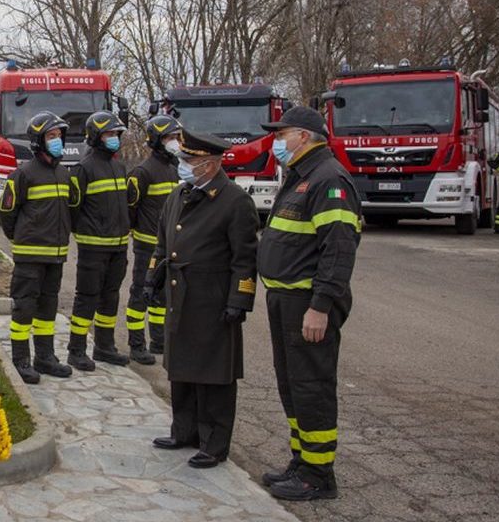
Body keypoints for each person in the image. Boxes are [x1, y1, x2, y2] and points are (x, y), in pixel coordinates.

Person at [256, 105, 361, 501]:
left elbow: (338, 250)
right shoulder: (302, 175)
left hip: (307, 303)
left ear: (303, 136)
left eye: (281, 135)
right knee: (292, 385)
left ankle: (318, 475)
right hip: (286, 299)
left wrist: (320, 306)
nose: (276, 142)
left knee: (311, 386)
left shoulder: (329, 179)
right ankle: (301, 461)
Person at [146, 128, 259, 469]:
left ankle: (214, 442)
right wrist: (155, 276)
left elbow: (245, 258)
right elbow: (163, 242)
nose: (182, 165)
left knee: (213, 374)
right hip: (181, 295)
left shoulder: (234, 201)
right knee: (181, 368)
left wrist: (239, 300)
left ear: (209, 165)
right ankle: (185, 430)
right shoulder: (179, 195)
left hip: (213, 299)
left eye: (188, 160)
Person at [0, 111, 75, 384]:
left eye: (59, 136)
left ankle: (45, 357)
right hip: (30, 257)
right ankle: (21, 359)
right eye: (51, 136)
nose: (57, 141)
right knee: (24, 308)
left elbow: (70, 212)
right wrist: (20, 239)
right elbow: (7, 211)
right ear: (38, 140)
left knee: (47, 309)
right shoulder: (23, 175)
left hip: (56, 257)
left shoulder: (65, 174)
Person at [66, 110, 132, 371]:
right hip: (93, 248)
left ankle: (105, 347)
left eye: (116, 134)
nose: (114, 138)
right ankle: (76, 349)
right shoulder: (84, 168)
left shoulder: (119, 166)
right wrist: (85, 233)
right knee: (87, 298)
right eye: (108, 134)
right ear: (95, 136)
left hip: (118, 246)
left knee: (111, 297)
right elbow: (73, 207)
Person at [125, 114, 183, 363]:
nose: (176, 142)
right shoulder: (142, 172)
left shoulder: (174, 168)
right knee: (140, 292)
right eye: (171, 137)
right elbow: (131, 209)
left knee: (162, 296)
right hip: (147, 245)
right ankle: (137, 344)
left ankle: (159, 340)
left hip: (168, 246)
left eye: (177, 137)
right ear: (158, 140)